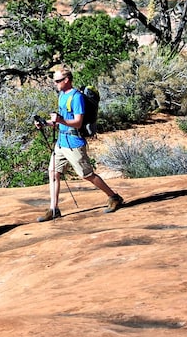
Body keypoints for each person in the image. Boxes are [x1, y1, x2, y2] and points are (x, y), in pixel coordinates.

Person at [38, 69, 124, 222]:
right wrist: (45, 123)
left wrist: (59, 121)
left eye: (57, 81)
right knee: (53, 173)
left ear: (67, 80)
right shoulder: (62, 96)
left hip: (74, 143)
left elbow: (77, 123)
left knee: (87, 175)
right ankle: (54, 209)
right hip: (61, 142)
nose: (55, 83)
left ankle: (113, 197)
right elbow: (61, 120)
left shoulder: (76, 98)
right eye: (55, 81)